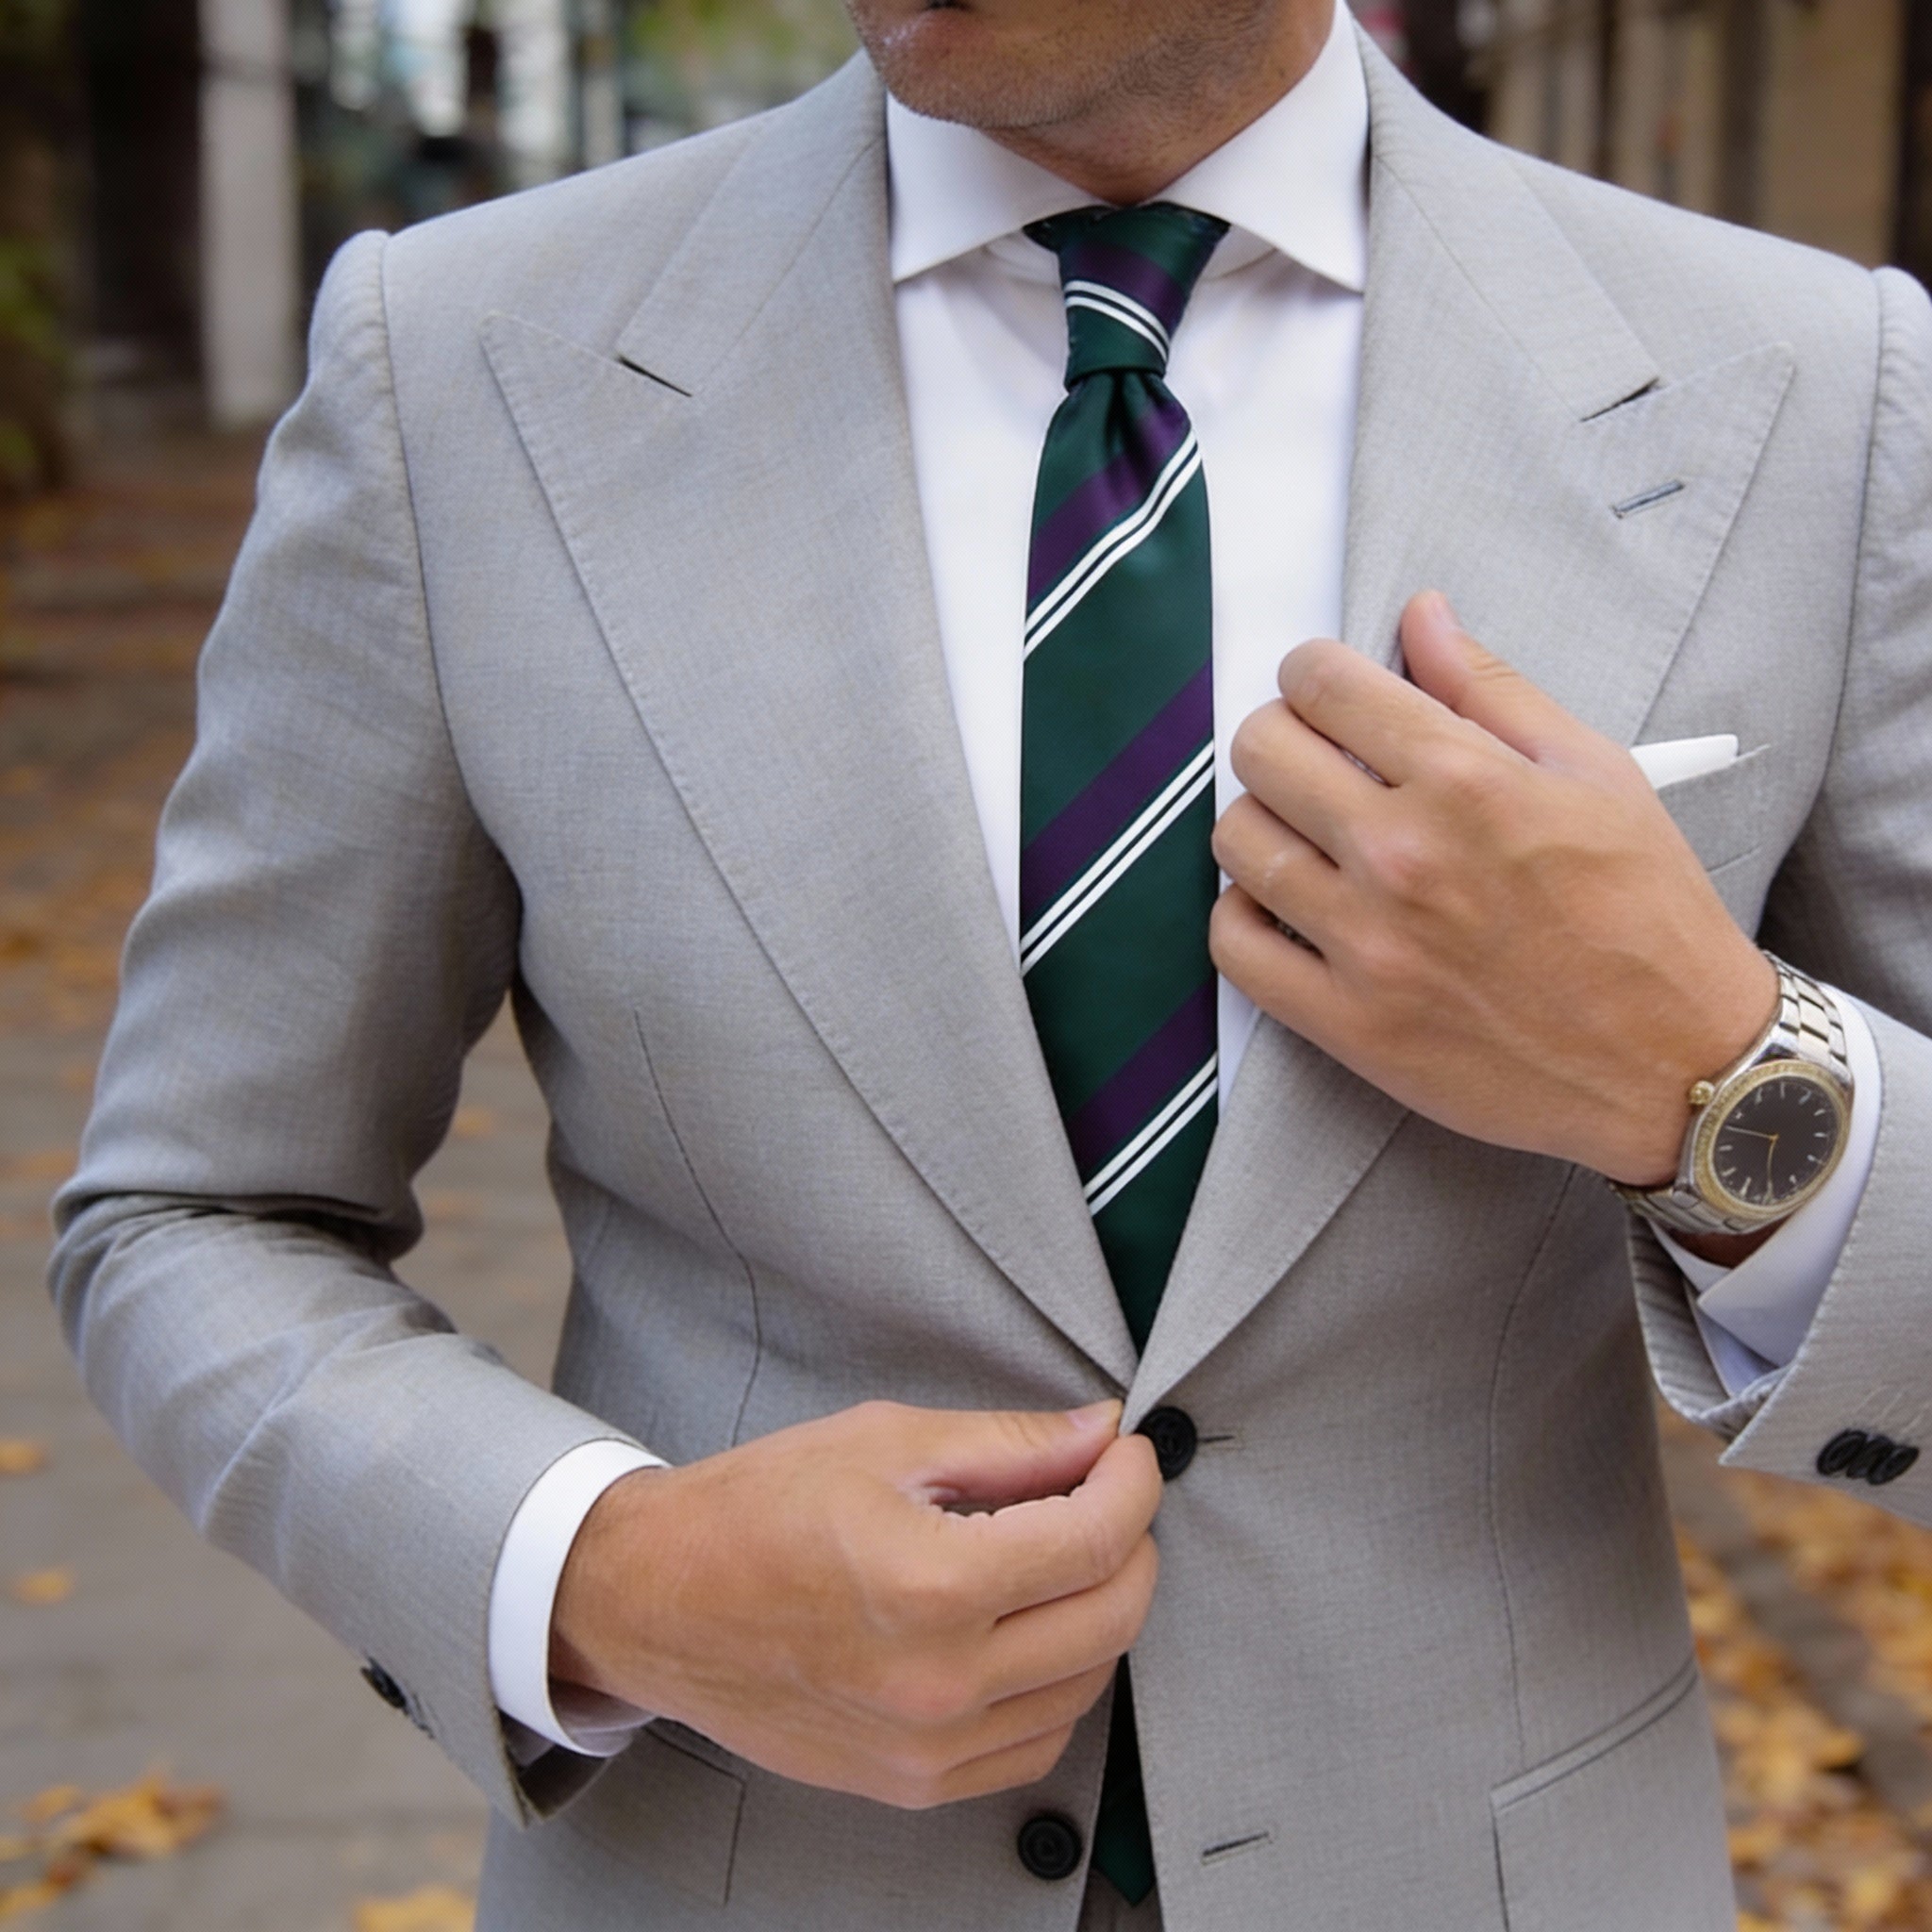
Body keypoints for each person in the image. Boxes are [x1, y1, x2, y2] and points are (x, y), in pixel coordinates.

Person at [48, 0, 1932, 1924]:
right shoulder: (459, 363)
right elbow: (196, 1212)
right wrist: (613, 1579)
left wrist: (1717, 1077)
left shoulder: (1810, 387)